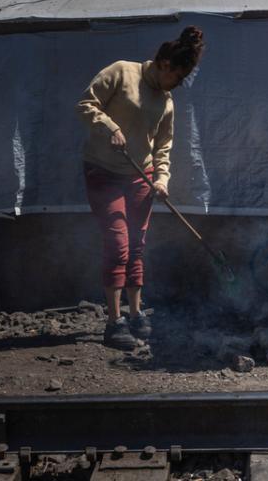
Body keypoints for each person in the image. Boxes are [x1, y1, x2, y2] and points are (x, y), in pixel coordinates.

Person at [75, 26, 205, 350]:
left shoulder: (167, 102)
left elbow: (163, 146)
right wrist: (109, 126)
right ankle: (113, 321)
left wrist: (162, 179)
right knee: (118, 243)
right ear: (164, 64)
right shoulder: (121, 72)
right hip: (104, 173)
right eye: (176, 76)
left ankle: (136, 314)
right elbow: (85, 105)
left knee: (136, 245)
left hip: (140, 177)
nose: (176, 84)